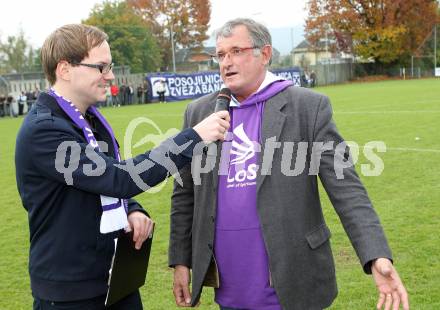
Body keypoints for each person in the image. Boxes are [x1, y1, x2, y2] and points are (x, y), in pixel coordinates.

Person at [169, 18, 409, 310]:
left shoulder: (307, 107)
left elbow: (347, 189)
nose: (226, 63)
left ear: (265, 54)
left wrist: (376, 254)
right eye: (220, 55)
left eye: (236, 51)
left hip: (293, 278)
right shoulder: (199, 112)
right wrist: (181, 261)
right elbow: (184, 193)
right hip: (230, 283)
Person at [15, 24, 230, 310]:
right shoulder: (45, 132)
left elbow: (102, 183)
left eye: (110, 66)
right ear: (65, 69)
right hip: (70, 292)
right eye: (101, 67)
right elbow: (118, 178)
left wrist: (132, 209)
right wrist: (193, 137)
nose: (111, 76)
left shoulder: (89, 121)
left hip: (115, 278)